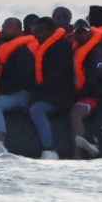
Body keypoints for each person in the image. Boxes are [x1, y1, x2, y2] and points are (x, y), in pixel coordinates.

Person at [0, 18, 36, 154]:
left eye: (9, 26)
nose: (4, 29)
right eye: (4, 25)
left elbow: (22, 80)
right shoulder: (2, 47)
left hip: (22, 93)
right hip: (8, 90)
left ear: (19, 31)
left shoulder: (22, 52)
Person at [26, 17, 74, 160]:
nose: (37, 35)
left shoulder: (61, 49)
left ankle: (50, 148)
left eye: (41, 31)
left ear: (51, 32)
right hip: (49, 93)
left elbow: (57, 79)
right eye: (36, 32)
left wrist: (38, 96)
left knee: (37, 109)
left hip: (61, 97)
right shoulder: (44, 47)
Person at [69, 19, 102, 159]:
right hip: (82, 93)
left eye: (83, 32)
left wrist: (78, 95)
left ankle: (78, 153)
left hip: (94, 96)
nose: (80, 35)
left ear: (89, 33)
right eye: (77, 33)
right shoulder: (75, 49)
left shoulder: (97, 52)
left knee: (75, 114)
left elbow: (95, 79)